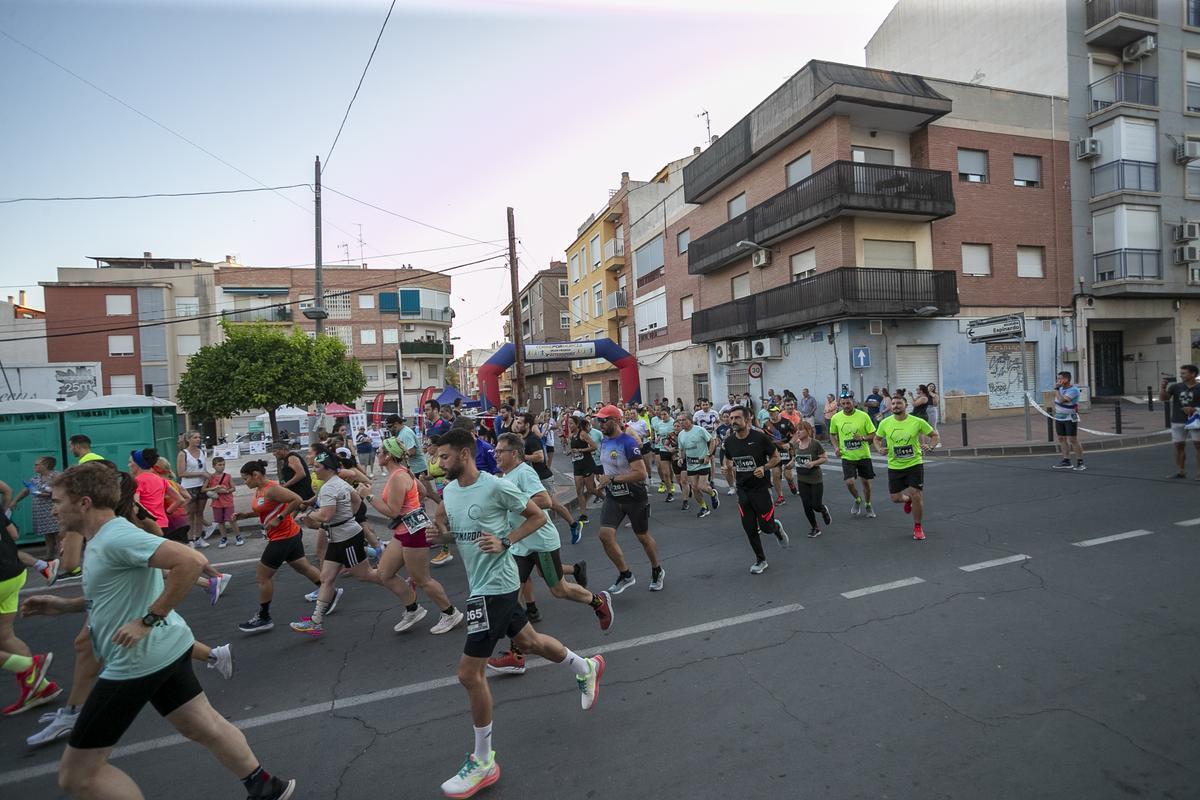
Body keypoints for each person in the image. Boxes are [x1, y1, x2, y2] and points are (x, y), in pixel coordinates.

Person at [22, 463, 296, 800]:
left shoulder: (115, 536)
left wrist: (147, 621)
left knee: (78, 775)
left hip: (136, 661)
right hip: (166, 647)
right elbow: (117, 594)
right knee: (200, 724)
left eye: (58, 500)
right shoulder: (104, 537)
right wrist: (66, 606)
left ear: (84, 502)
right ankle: (265, 785)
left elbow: (190, 562)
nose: (53, 507)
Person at [428, 429, 605, 799]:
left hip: (498, 585)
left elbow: (538, 516)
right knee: (530, 641)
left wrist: (507, 541)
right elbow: (465, 535)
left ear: (464, 453)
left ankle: (483, 761)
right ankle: (585, 667)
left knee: (468, 673)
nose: (438, 463)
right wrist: (442, 537)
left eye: (444, 457)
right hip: (480, 584)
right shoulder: (450, 492)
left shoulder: (495, 486)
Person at [487, 433, 614, 673]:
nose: (495, 455)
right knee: (512, 595)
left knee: (559, 590)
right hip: (520, 544)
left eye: (499, 451)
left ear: (513, 453)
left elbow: (545, 500)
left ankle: (598, 601)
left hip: (541, 542)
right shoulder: (506, 475)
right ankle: (516, 654)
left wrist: (516, 503)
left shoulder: (523, 472)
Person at [368, 437, 464, 635]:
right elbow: (420, 491)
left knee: (422, 579)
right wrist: (413, 507)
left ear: (387, 456)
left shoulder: (397, 477)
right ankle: (413, 609)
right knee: (385, 573)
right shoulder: (404, 472)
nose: (377, 455)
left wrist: (368, 496)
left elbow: (392, 511)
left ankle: (450, 613)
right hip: (403, 531)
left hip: (415, 532)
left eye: (379, 452)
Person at [290, 451, 389, 636]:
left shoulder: (330, 488)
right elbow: (356, 499)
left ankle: (405, 586)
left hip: (346, 538)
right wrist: (347, 516)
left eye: (317, 467)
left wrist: (308, 516)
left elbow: (326, 515)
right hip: (337, 537)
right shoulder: (337, 483)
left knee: (366, 574)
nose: (314, 470)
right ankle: (316, 621)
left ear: (328, 469)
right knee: (326, 579)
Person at [235, 460, 326, 634]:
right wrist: (244, 515)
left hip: (283, 536)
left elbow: (296, 500)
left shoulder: (271, 488)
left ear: (256, 475)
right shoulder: (260, 490)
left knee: (262, 576)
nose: (244, 482)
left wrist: (281, 518)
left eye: (245, 478)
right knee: (303, 567)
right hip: (286, 535)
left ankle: (264, 617)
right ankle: (330, 592)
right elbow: (264, 509)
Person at [592, 405, 664, 593]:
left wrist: (613, 478)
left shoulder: (628, 442)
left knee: (642, 537)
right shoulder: (605, 441)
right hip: (614, 496)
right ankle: (626, 575)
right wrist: (602, 478)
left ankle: (657, 569)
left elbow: (640, 473)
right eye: (599, 420)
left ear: (616, 421)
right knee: (605, 535)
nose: (600, 423)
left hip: (634, 496)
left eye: (604, 420)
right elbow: (608, 466)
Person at [1, 501, 58, 715]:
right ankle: (39, 688)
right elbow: (14, 534)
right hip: (13, 573)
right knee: (5, 636)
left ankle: (26, 665)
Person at [721, 406, 788, 574]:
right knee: (749, 528)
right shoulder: (729, 441)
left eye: (737, 418)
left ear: (747, 419)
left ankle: (776, 528)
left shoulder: (760, 438)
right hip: (743, 490)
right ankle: (761, 560)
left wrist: (764, 467)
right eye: (731, 418)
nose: (733, 421)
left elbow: (776, 457)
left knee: (766, 528)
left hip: (761, 489)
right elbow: (728, 460)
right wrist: (726, 468)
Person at [874, 395, 938, 541]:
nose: (896, 405)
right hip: (895, 465)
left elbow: (934, 435)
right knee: (895, 498)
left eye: (899, 403)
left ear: (906, 405)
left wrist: (930, 446)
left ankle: (917, 527)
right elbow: (876, 439)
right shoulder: (885, 423)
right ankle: (907, 499)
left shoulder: (917, 422)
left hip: (914, 464)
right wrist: (879, 449)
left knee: (916, 494)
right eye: (894, 403)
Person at [512, 412, 583, 543]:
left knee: (553, 505)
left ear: (527, 425)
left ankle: (574, 525)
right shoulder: (523, 438)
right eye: (517, 422)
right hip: (533, 479)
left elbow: (540, 457)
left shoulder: (533, 439)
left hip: (543, 478)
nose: (517, 424)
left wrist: (521, 457)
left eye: (520, 422)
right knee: (543, 507)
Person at [828, 394, 878, 518]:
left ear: (853, 403)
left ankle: (868, 504)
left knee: (865, 482)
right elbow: (832, 434)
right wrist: (836, 447)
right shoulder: (836, 418)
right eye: (843, 403)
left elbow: (873, 434)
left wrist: (862, 438)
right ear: (840, 404)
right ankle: (857, 499)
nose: (846, 406)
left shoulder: (863, 416)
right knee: (849, 482)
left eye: (848, 403)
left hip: (863, 455)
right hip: (847, 456)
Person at [12, 455, 60, 561]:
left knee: (58, 534)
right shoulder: (35, 478)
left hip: (54, 509)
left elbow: (61, 491)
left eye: (37, 464)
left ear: (46, 465)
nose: (35, 466)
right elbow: (26, 491)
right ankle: (49, 555)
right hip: (41, 512)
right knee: (47, 534)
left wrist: (46, 494)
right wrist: (14, 501)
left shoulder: (56, 476)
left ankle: (61, 556)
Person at [792, 422, 832, 538]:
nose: (798, 432)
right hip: (802, 479)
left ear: (808, 431)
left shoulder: (815, 444)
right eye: (797, 430)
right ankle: (815, 527)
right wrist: (790, 464)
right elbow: (795, 458)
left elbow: (824, 458)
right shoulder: (796, 445)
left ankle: (823, 510)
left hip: (815, 479)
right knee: (806, 505)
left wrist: (813, 463)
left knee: (816, 505)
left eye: (801, 430)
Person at [676, 413, 719, 518]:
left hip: (703, 463)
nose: (681, 422)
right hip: (691, 464)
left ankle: (713, 494)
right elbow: (681, 449)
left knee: (702, 486)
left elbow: (712, 441)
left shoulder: (699, 430)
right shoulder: (681, 434)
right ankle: (704, 507)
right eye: (679, 420)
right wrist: (681, 458)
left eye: (683, 420)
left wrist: (708, 455)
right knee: (695, 488)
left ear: (690, 420)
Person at [1161, 365, 1200, 479]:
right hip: (1178, 420)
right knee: (1178, 446)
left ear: (1193, 374)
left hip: (1196, 420)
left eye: (1184, 373)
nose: (1181, 375)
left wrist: (1194, 409)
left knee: (1198, 446)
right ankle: (1181, 471)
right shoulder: (1176, 387)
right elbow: (1164, 398)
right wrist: (1163, 388)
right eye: (1181, 373)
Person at [176, 431, 211, 549]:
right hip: (189, 487)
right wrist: (200, 473)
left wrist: (208, 479)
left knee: (200, 513)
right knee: (190, 514)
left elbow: (205, 470)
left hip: (201, 486)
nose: (198, 439)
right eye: (195, 437)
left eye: (199, 437)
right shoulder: (183, 454)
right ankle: (190, 539)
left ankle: (198, 537)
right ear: (188, 439)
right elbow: (181, 473)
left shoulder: (201, 452)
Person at [568, 415, 604, 519]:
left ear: (577, 424)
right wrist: (570, 452)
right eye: (568, 423)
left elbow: (594, 447)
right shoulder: (571, 436)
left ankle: (604, 498)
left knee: (590, 489)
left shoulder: (582, 434)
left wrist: (580, 450)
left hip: (587, 464)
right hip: (577, 465)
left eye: (571, 423)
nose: (569, 426)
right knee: (579, 490)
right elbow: (573, 449)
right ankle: (583, 515)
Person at [1052, 371, 1086, 472]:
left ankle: (1080, 462)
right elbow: (1057, 401)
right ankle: (1066, 460)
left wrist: (1057, 389)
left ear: (1066, 379)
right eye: (1058, 379)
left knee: (1073, 439)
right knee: (1061, 438)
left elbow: (1062, 400)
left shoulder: (1074, 390)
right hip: (1059, 417)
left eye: (1060, 379)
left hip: (1070, 418)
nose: (1058, 381)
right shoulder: (1061, 388)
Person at [205, 456, 242, 548]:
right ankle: (224, 538)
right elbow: (203, 489)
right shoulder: (210, 477)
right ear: (214, 466)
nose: (222, 466)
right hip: (217, 502)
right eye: (219, 465)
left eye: (223, 464)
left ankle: (238, 536)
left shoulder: (227, 476)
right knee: (220, 522)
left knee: (232, 520)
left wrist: (227, 491)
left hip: (228, 501)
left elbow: (233, 487)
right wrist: (214, 489)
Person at [764, 404, 797, 501]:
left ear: (778, 411)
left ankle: (791, 483)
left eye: (773, 412)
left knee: (788, 475)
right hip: (774, 453)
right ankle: (780, 496)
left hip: (786, 451)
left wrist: (790, 444)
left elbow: (796, 434)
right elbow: (763, 438)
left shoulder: (786, 422)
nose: (771, 414)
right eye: (770, 412)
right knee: (775, 474)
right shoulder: (766, 425)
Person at [270, 440, 314, 506]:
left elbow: (301, 474)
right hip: (297, 492)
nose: (273, 454)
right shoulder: (287, 459)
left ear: (283, 449)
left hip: (302, 492)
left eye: (275, 451)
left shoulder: (292, 457)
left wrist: (285, 485)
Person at [650, 407, 677, 496]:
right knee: (665, 472)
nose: (663, 416)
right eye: (662, 414)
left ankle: (673, 482)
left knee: (672, 468)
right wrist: (657, 439)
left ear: (669, 414)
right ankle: (669, 490)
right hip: (662, 448)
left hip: (673, 449)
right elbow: (659, 434)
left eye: (665, 414)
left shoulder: (673, 423)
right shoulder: (659, 423)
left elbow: (677, 434)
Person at [716, 411, 735, 496]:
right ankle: (731, 487)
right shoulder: (719, 428)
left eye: (728, 416)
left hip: (734, 450)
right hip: (724, 450)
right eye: (724, 417)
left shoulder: (734, 427)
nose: (726, 418)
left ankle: (739, 484)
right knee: (726, 469)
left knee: (734, 469)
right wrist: (718, 443)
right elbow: (718, 439)